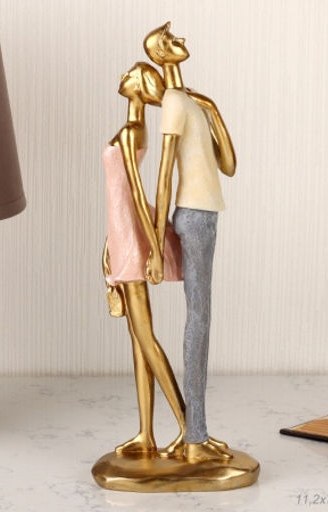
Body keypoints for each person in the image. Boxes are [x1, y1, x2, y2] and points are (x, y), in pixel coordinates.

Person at [144, 23, 237, 462]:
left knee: (203, 316)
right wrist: (154, 243)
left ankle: (197, 432)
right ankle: (194, 435)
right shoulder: (172, 103)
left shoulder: (192, 102)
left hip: (206, 213)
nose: (182, 41)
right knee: (199, 318)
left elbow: (229, 166)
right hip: (194, 216)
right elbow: (163, 175)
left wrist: (213, 109)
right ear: (163, 54)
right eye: (172, 40)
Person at [102, 62, 186, 455]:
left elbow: (136, 194)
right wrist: (108, 245)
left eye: (130, 74)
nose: (123, 76)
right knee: (138, 341)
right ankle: (146, 434)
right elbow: (121, 196)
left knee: (146, 338)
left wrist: (152, 248)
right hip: (122, 236)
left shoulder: (131, 131)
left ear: (139, 86)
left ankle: (187, 426)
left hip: (131, 239)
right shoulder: (134, 129)